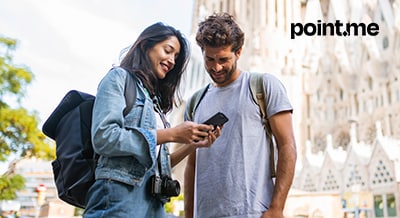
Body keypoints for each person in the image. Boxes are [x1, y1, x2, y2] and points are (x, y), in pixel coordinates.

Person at [83, 22, 221, 218]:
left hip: (153, 202)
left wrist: (194, 145)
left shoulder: (154, 101)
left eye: (176, 57)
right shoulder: (119, 78)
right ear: (146, 45)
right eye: (168, 50)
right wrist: (171, 134)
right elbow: (104, 137)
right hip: (119, 198)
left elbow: (160, 164)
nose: (172, 60)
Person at [184, 13, 297, 218]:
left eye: (223, 59)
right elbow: (192, 164)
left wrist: (277, 208)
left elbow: (287, 146)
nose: (216, 67)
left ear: (239, 52)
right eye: (210, 59)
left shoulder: (263, 86)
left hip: (253, 212)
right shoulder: (195, 102)